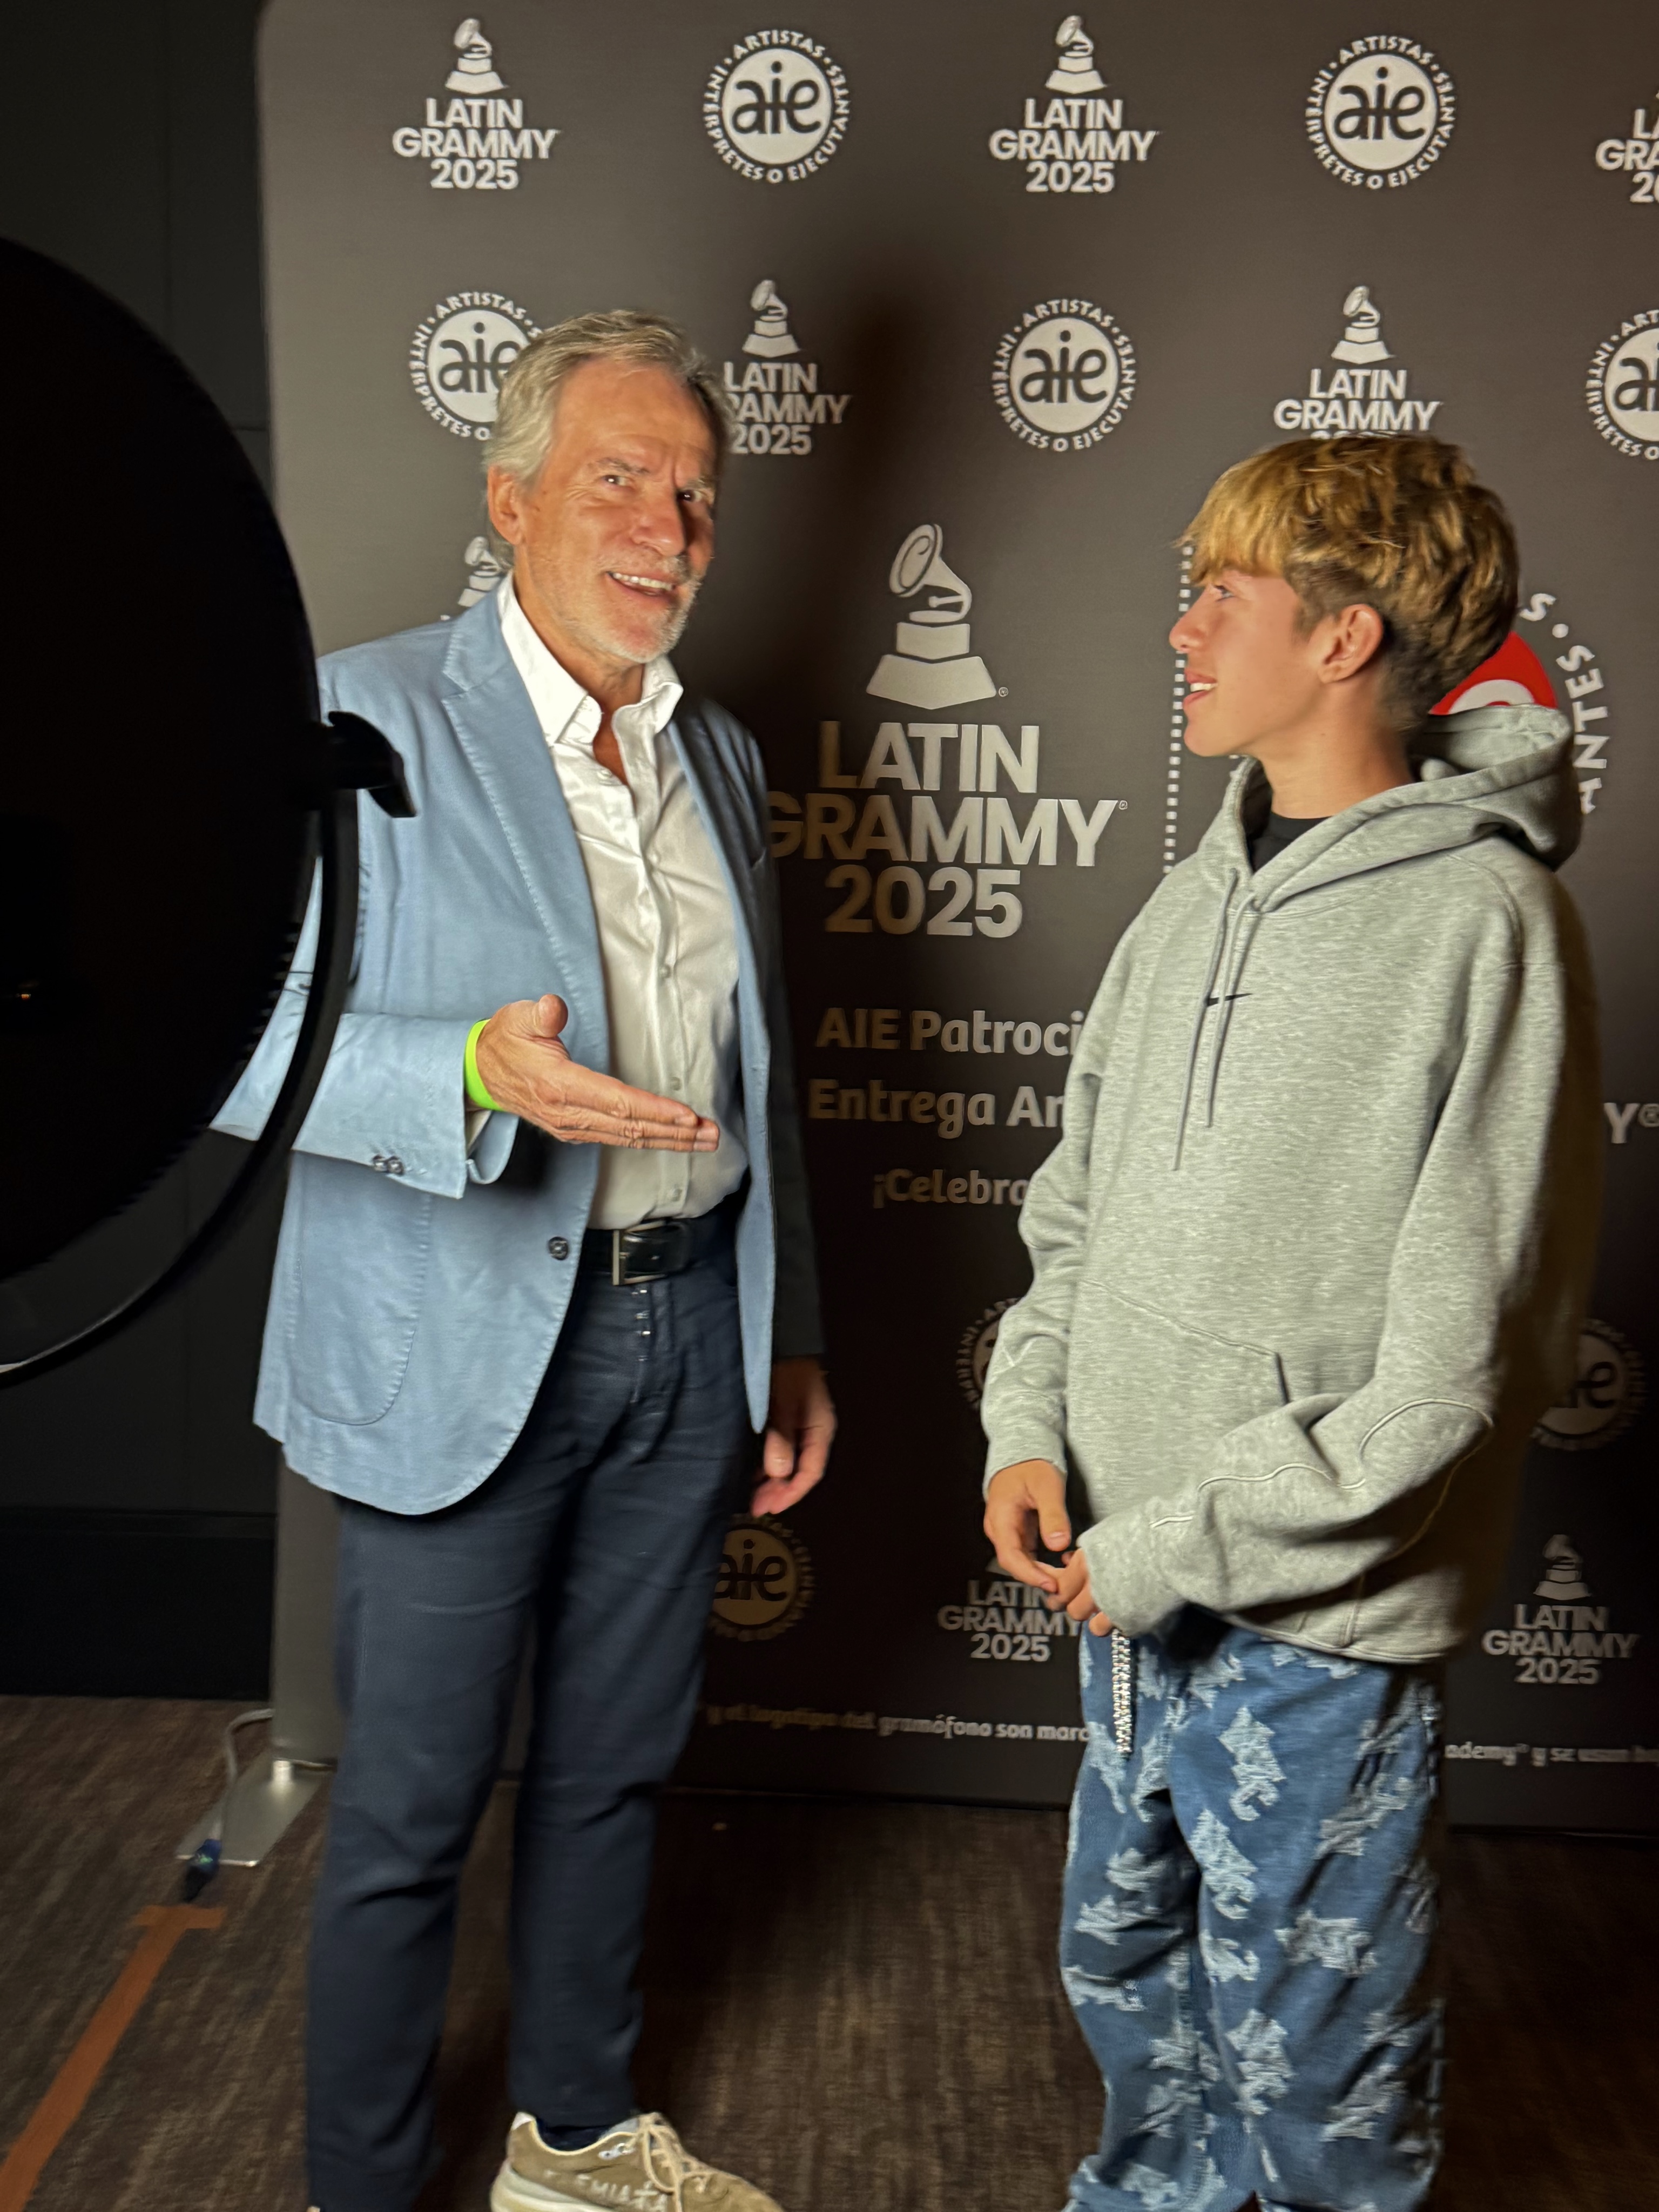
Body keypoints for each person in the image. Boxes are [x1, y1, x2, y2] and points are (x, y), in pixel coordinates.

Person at [218, 310, 833, 2212]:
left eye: (697, 496)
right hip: (460, 1339)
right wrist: (469, 1075)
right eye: (618, 480)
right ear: (510, 501)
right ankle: (363, 2188)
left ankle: (571, 2145)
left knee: (614, 1775)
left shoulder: (719, 752)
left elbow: (757, 1073)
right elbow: (225, 1043)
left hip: (686, 1337)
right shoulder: (360, 719)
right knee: (409, 1810)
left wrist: (789, 1328)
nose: (666, 528)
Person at [980, 434, 1600, 2212]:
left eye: (1221, 598)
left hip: (1314, 1625)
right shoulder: (1192, 897)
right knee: (1134, 1996)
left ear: (1342, 639)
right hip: (1122, 1587)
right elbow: (1076, 1210)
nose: (1182, 631)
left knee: (1320, 2064)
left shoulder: (1488, 923)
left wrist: (1172, 1544)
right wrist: (1030, 1424)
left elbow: (1454, 1374)